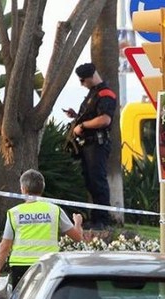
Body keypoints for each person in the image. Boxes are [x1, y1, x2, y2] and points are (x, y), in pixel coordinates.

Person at [0, 169, 84, 289]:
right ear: (42, 188)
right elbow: (77, 237)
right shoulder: (54, 210)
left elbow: (5, 246)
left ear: (23, 189)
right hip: (48, 264)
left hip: (21, 265)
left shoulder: (14, 213)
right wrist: (77, 223)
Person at [63, 62, 118, 230]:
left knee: (98, 181)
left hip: (97, 144)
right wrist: (76, 116)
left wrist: (83, 125)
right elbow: (92, 115)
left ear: (91, 77)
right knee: (91, 182)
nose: (81, 84)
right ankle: (95, 218)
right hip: (88, 145)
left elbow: (104, 119)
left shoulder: (105, 94)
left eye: (82, 80)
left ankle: (102, 220)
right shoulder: (93, 93)